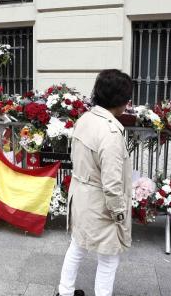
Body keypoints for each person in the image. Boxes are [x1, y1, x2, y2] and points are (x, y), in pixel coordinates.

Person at [57, 69, 133, 296]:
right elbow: (111, 183)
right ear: (120, 100)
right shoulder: (110, 131)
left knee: (77, 246)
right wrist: (119, 214)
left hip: (81, 194)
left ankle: (66, 291)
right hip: (100, 201)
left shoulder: (85, 118)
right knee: (109, 258)